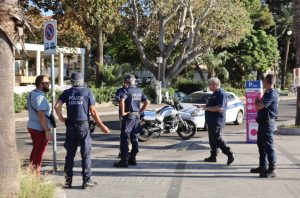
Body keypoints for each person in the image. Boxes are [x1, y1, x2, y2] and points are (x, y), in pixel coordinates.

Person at [54, 72, 110, 189]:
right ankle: (86, 181)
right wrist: (102, 126)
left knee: (70, 155)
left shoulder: (67, 92)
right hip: (83, 126)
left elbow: (57, 106)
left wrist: (61, 118)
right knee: (85, 154)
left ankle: (68, 181)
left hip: (70, 125)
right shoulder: (87, 92)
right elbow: (93, 112)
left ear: (71, 81)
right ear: (81, 80)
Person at [196, 77, 235, 165]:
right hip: (211, 121)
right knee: (212, 139)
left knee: (217, 138)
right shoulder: (214, 93)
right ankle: (213, 156)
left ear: (215, 85)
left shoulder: (220, 93)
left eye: (210, 84)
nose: (209, 86)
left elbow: (219, 107)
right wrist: (203, 106)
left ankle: (229, 153)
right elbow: (211, 106)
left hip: (217, 121)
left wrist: (206, 108)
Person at [113, 74, 149, 168]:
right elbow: (147, 102)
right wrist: (140, 111)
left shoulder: (126, 90)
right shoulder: (139, 90)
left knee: (124, 138)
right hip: (137, 116)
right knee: (135, 138)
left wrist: (122, 113)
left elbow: (121, 100)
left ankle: (124, 161)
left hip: (128, 117)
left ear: (126, 82)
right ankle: (133, 158)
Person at [251, 74, 278, 178]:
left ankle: (272, 169)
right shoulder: (267, 93)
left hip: (267, 123)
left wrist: (256, 101)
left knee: (268, 145)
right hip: (263, 123)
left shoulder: (271, 94)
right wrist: (258, 102)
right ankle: (263, 166)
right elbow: (259, 106)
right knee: (261, 145)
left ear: (267, 82)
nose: (263, 83)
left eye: (264, 81)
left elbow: (259, 106)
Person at [27, 75, 53, 175]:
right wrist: (46, 131)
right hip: (40, 128)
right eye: (47, 83)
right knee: (39, 153)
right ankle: (35, 176)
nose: (49, 84)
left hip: (32, 126)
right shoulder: (39, 96)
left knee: (35, 150)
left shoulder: (31, 94)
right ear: (41, 84)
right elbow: (41, 114)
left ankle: (31, 172)